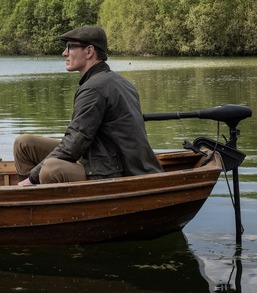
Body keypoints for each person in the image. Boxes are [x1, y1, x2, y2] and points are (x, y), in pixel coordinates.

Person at [14, 25, 162, 185]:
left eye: (69, 47)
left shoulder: (94, 88)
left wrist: (31, 178)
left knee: (51, 169)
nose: (64, 53)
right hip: (102, 156)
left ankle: (28, 192)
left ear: (89, 51)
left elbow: (73, 146)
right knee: (24, 144)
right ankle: (28, 198)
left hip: (115, 171)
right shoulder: (119, 81)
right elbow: (78, 142)